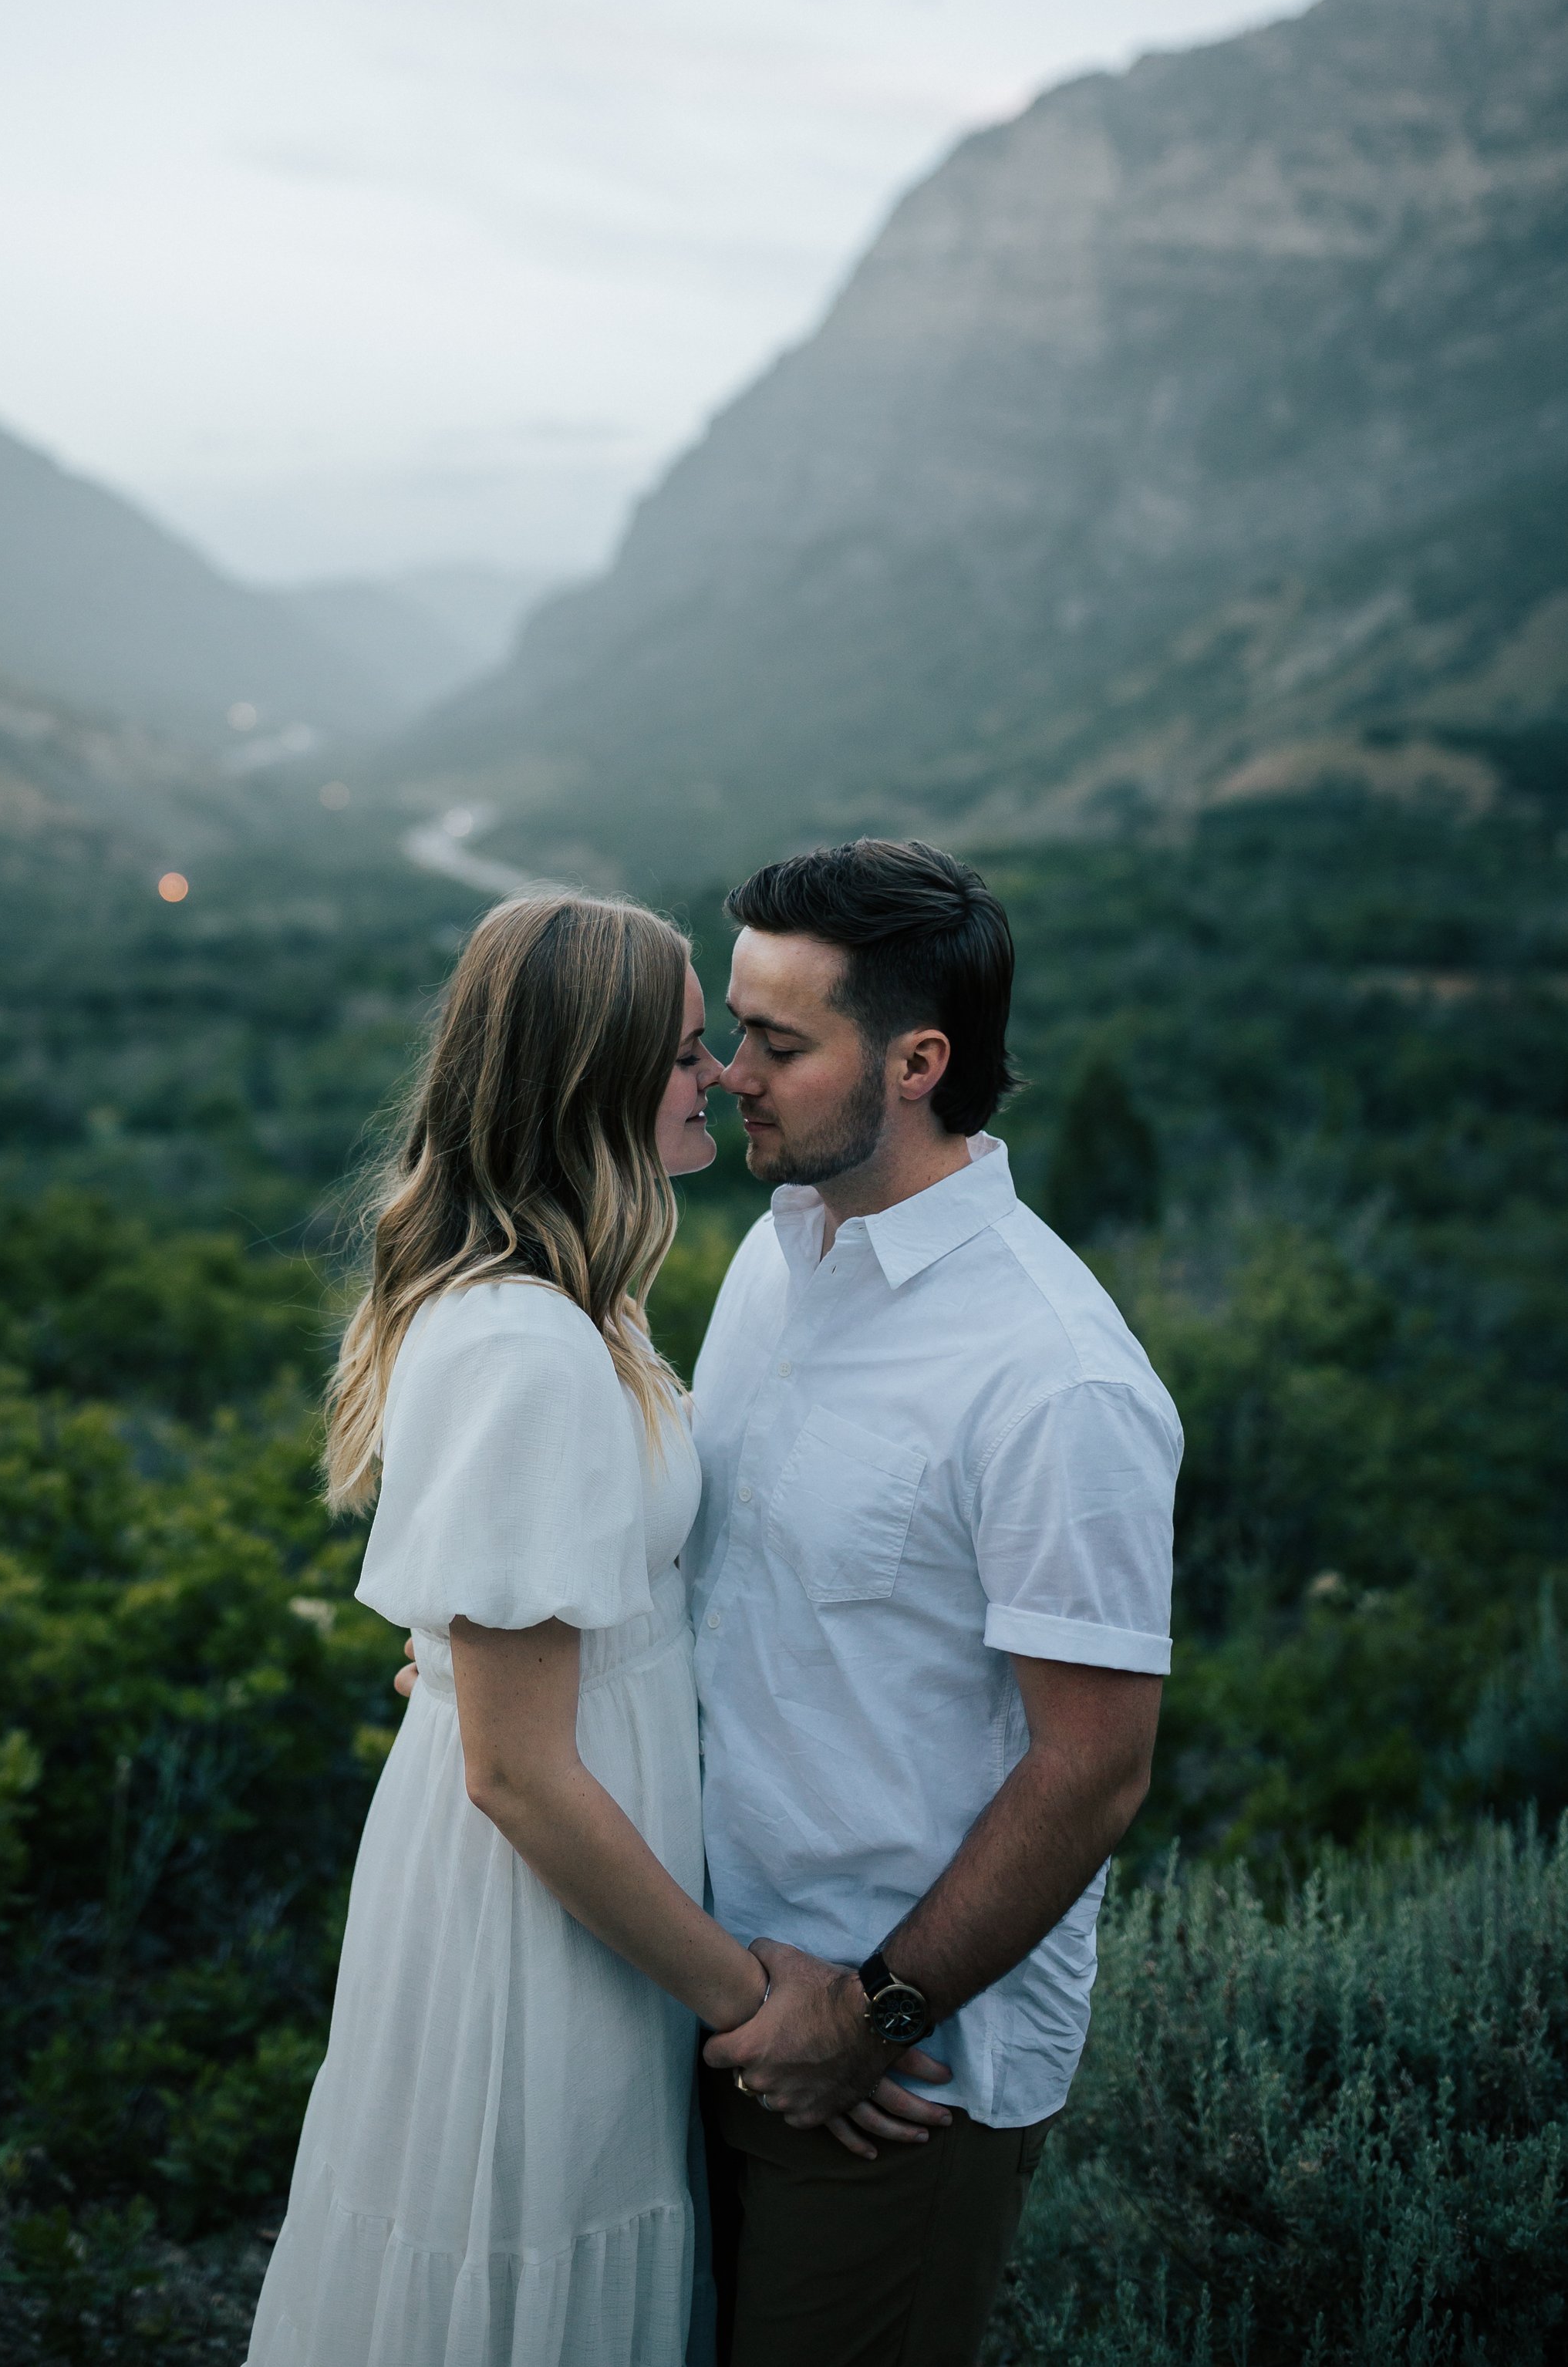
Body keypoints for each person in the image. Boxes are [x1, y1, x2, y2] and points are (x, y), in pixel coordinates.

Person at [244, 890, 760, 2367]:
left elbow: (524, 1636)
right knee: (519, 2259)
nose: (716, 1070)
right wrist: (740, 1999)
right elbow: (516, 1769)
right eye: (681, 1050)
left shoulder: (577, 1306)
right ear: (588, 1080)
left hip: (584, 1884)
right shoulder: (529, 1343)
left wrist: (474, 1662)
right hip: (540, 1912)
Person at [689, 840, 1182, 2367]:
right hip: (701, 2001)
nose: (724, 1074)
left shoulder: (1053, 1379)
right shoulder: (772, 1261)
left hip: (888, 2089)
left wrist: (873, 2017)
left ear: (916, 1061)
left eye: (776, 1043)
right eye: (732, 1028)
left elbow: (1090, 1765)